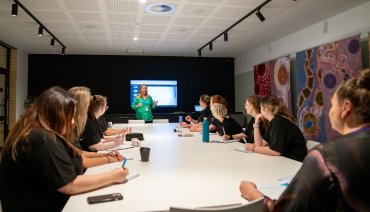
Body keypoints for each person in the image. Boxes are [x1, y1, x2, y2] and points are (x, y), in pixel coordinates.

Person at [240, 69, 370, 211]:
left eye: (332, 104)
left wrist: (253, 194)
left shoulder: (326, 157)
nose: (330, 110)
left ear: (346, 108)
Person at [0, 87, 129, 212]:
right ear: (56, 115)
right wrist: (113, 176)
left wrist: (107, 158)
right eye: (71, 116)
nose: (73, 122)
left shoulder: (41, 134)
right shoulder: (41, 138)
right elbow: (70, 185)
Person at [69, 87, 124, 168]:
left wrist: (106, 154)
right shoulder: (69, 127)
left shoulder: (76, 124)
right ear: (80, 105)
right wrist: (109, 158)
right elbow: (83, 161)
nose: (89, 107)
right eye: (88, 103)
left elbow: (79, 153)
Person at [245, 95, 307, 162]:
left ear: (265, 110)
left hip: (295, 162)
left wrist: (253, 148)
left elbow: (275, 151)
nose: (260, 111)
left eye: (260, 108)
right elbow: (260, 144)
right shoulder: (274, 122)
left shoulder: (279, 122)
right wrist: (256, 124)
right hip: (286, 159)